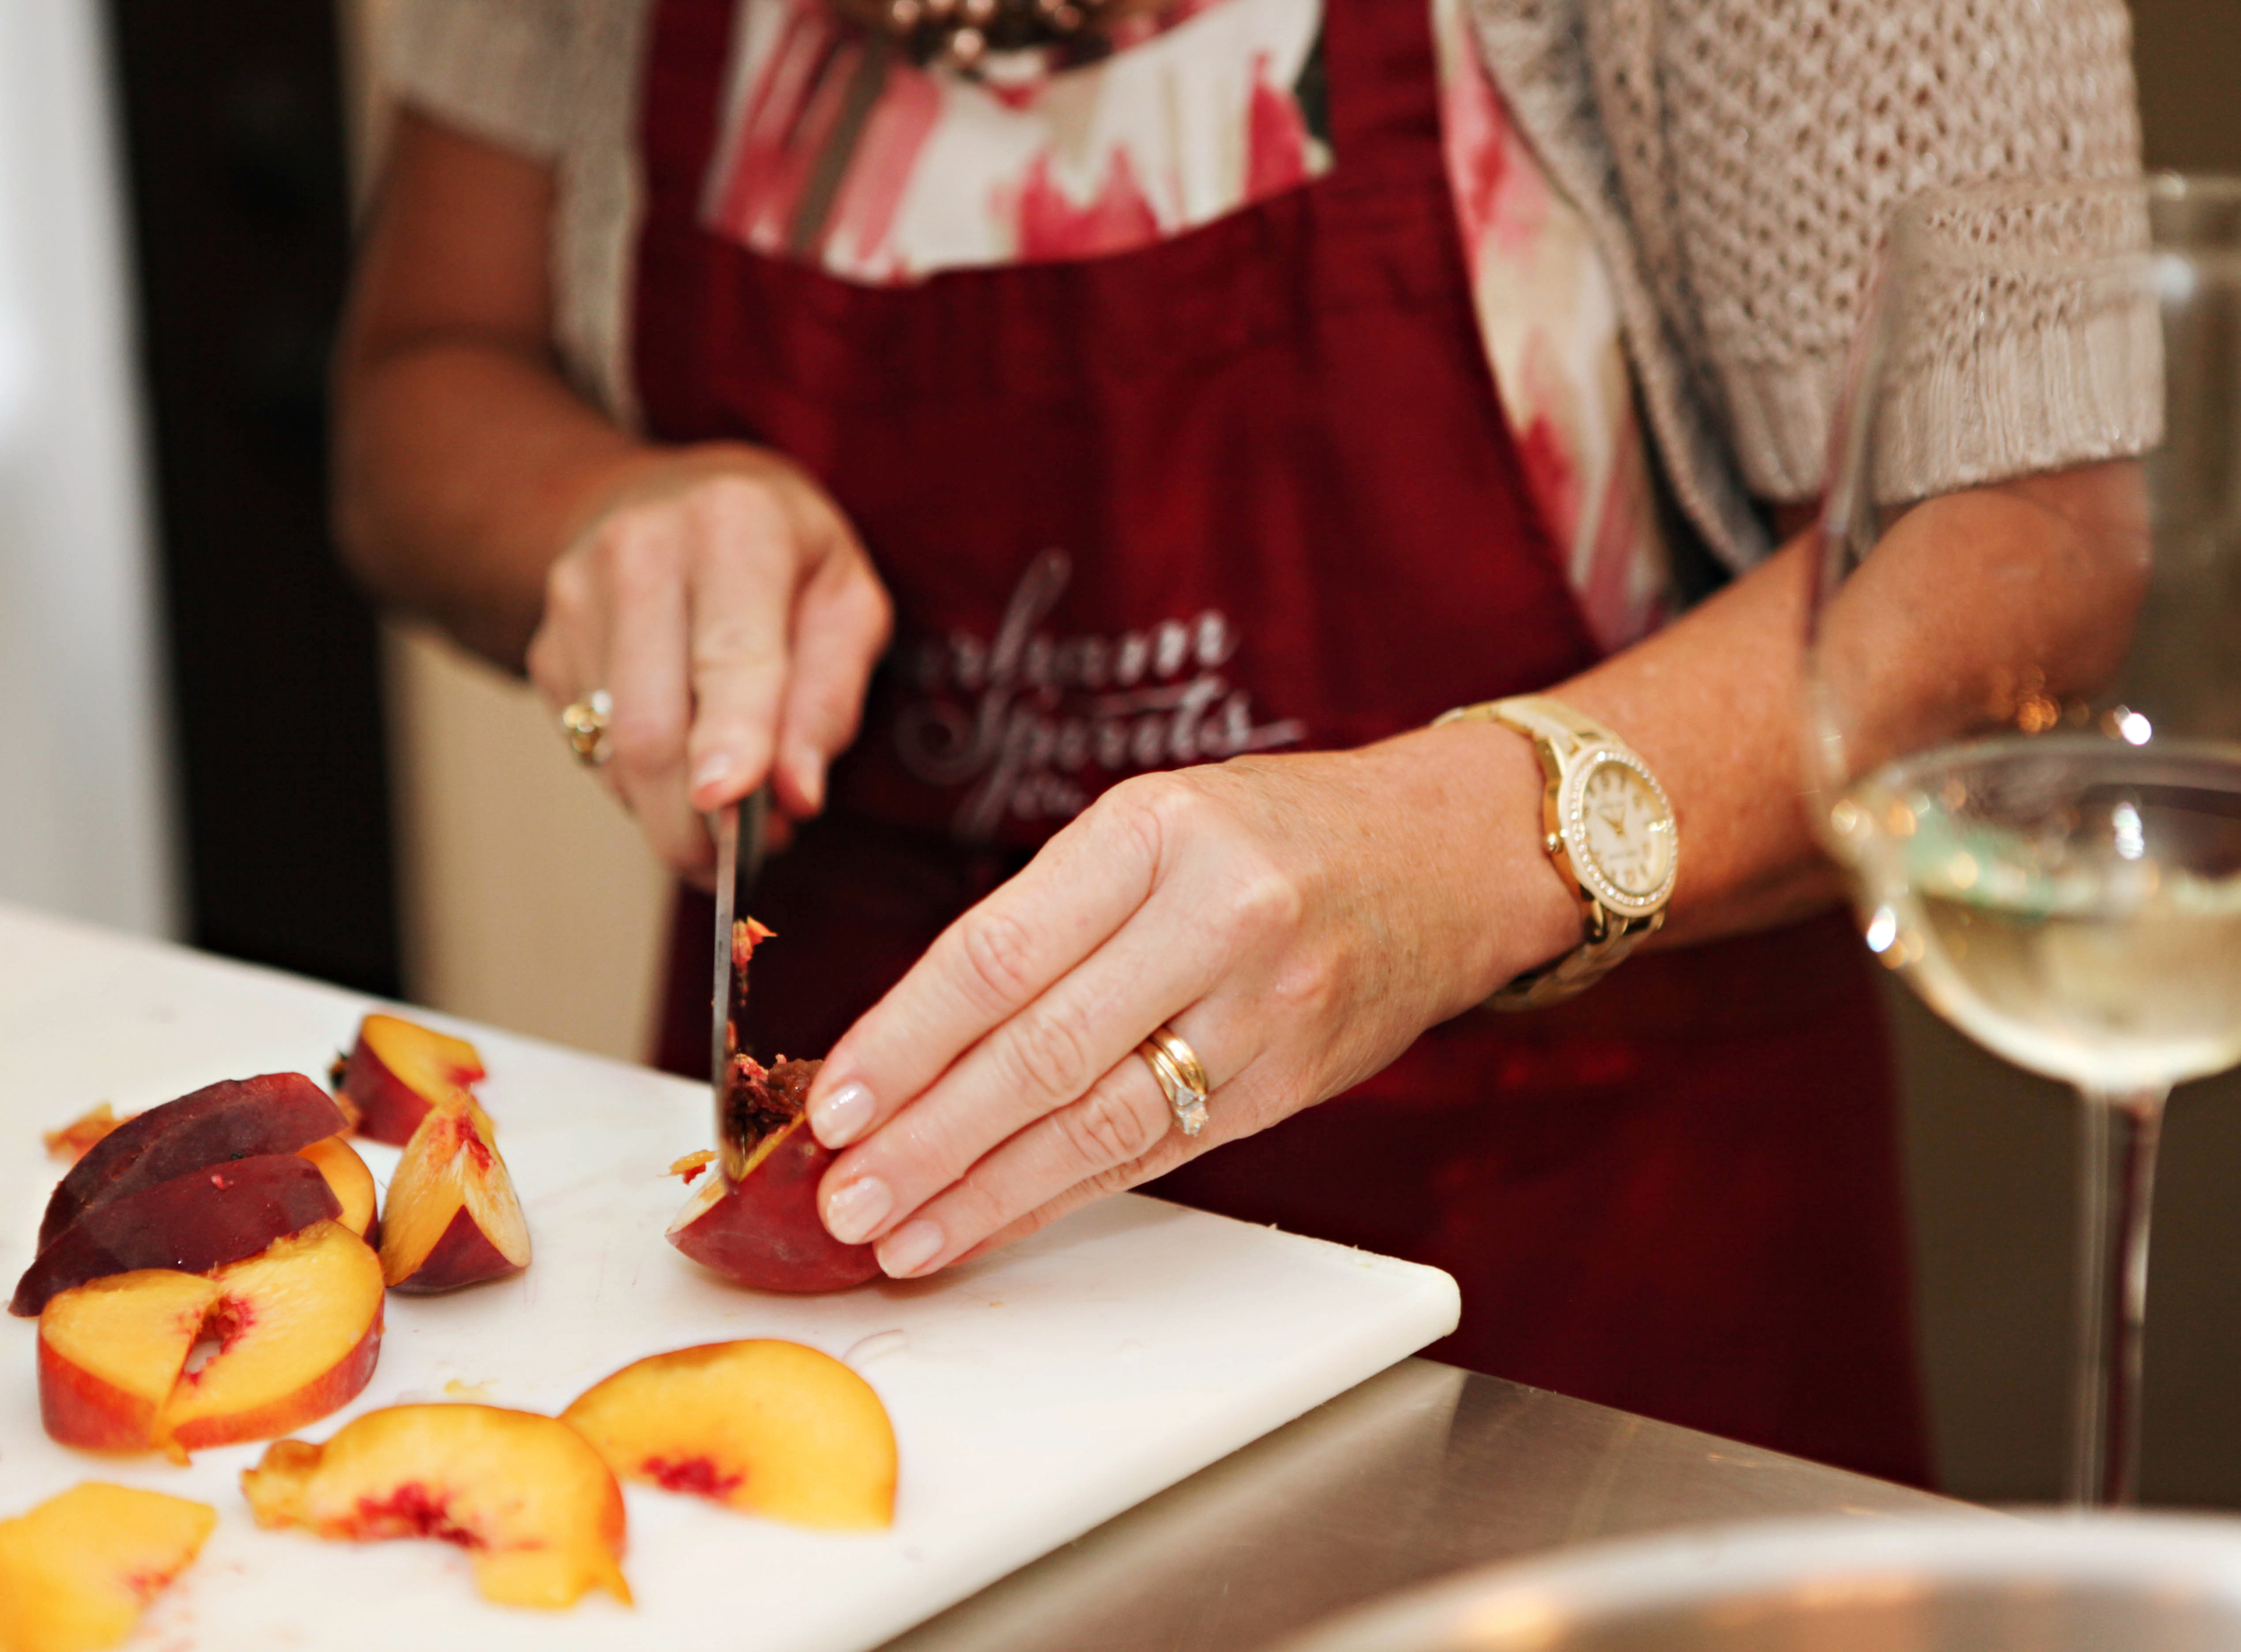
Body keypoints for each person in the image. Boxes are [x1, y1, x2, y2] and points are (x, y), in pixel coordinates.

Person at [340, 0, 2141, 1484]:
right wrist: (613, 512)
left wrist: (1465, 850)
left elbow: (2020, 549)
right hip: (842, 1371)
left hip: (1589, 1339)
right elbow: (423, 367)